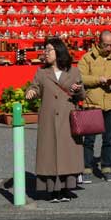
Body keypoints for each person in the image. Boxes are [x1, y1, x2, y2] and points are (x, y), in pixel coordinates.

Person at [25, 38, 85, 202]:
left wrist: (77, 91)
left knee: (68, 154)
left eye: (49, 49)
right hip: (49, 119)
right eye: (45, 50)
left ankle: (66, 188)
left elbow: (82, 95)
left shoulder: (73, 72)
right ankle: (52, 190)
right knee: (49, 155)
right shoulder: (41, 72)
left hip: (68, 118)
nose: (46, 52)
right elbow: (34, 87)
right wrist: (31, 92)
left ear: (59, 51)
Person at [78, 30, 111, 183]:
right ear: (98, 42)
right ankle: (86, 167)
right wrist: (97, 80)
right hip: (92, 103)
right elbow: (80, 77)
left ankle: (107, 167)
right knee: (89, 139)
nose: (109, 48)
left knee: (109, 138)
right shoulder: (87, 58)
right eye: (106, 45)